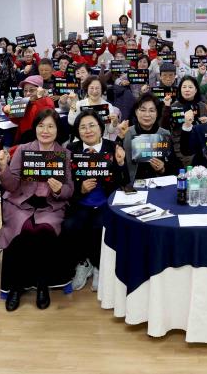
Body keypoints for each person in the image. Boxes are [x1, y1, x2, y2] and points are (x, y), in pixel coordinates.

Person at [0, 110, 73, 311]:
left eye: (50, 126)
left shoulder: (64, 154)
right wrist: (4, 167)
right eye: (41, 126)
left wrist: (59, 189)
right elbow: (12, 185)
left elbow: (69, 190)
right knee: (23, 230)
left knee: (44, 230)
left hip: (50, 205)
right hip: (21, 202)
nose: (45, 131)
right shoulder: (23, 150)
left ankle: (42, 285)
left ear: (57, 130)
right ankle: (16, 287)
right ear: (35, 128)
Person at [64, 110, 128, 292]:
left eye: (92, 125)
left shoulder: (113, 147)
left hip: (106, 202)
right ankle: (83, 262)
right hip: (80, 202)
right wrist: (81, 188)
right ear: (77, 131)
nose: (88, 130)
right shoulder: (71, 150)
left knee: (99, 225)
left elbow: (124, 182)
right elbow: (66, 182)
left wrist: (120, 164)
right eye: (83, 127)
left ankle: (100, 265)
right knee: (70, 225)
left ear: (101, 128)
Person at [118, 93, 179, 183]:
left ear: (157, 113)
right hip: (132, 186)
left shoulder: (165, 134)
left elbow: (174, 167)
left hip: (158, 185)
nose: (147, 114)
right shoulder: (126, 133)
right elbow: (116, 164)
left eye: (151, 110)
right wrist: (119, 138)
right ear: (136, 112)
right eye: (143, 110)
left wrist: (163, 169)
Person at [163, 76, 207, 168]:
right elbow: (164, 126)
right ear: (180, 90)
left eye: (190, 87)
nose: (187, 90)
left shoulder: (203, 106)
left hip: (200, 143)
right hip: (179, 144)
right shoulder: (174, 106)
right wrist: (167, 107)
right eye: (184, 87)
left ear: (196, 90)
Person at [4, 75, 56, 144]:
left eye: (31, 90)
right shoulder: (23, 102)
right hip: (23, 140)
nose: (28, 93)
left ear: (40, 90)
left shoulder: (47, 100)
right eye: (25, 91)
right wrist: (8, 111)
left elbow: (44, 118)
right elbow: (17, 120)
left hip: (40, 140)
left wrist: (40, 98)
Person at [67, 76, 121, 140]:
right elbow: (71, 122)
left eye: (97, 88)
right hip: (83, 139)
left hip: (101, 140)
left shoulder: (108, 106)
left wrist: (114, 123)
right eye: (91, 88)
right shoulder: (79, 104)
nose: (94, 91)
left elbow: (110, 130)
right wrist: (73, 105)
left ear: (102, 90)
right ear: (87, 89)